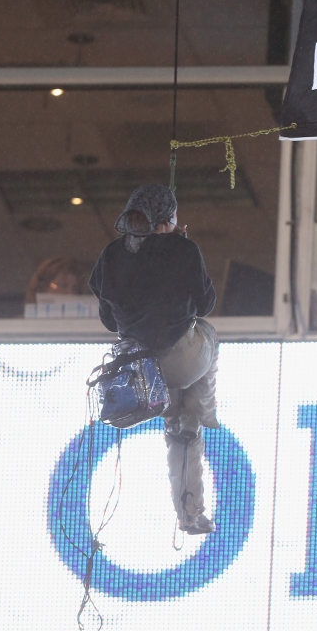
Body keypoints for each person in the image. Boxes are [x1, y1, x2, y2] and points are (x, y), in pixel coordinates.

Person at [89, 184, 219, 536]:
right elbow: (205, 303)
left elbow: (109, 321)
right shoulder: (183, 249)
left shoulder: (111, 255)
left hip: (142, 373)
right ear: (165, 220)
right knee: (207, 332)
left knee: (176, 429)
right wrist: (181, 248)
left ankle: (188, 513)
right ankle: (205, 410)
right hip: (183, 361)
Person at [25, 256, 92, 304]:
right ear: (42, 288)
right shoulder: (21, 323)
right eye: (63, 286)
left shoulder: (86, 323)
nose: (71, 294)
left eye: (75, 288)